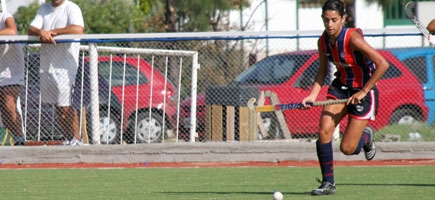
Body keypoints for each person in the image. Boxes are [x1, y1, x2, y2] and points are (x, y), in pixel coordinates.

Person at [301, 0, 389, 196]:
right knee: (324, 131)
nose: (329, 25)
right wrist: (312, 96)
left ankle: (366, 137)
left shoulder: (353, 38)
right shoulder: (323, 41)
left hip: (363, 92)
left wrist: (363, 91)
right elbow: (322, 71)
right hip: (340, 88)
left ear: (343, 19)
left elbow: (383, 63)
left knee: (348, 148)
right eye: (326, 20)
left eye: (334, 20)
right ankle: (328, 183)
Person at [28, 0, 84, 146]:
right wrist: (41, 32)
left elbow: (78, 29)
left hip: (66, 66)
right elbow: (31, 28)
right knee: (58, 105)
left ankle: (77, 139)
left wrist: (55, 32)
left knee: (66, 104)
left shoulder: (72, 8)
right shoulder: (44, 8)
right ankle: (68, 138)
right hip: (48, 64)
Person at [0, 11, 25, 146]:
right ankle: (11, 139)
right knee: (4, 109)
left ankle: (19, 138)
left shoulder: (5, 16)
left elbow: (12, 30)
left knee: (9, 104)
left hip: (12, 71)